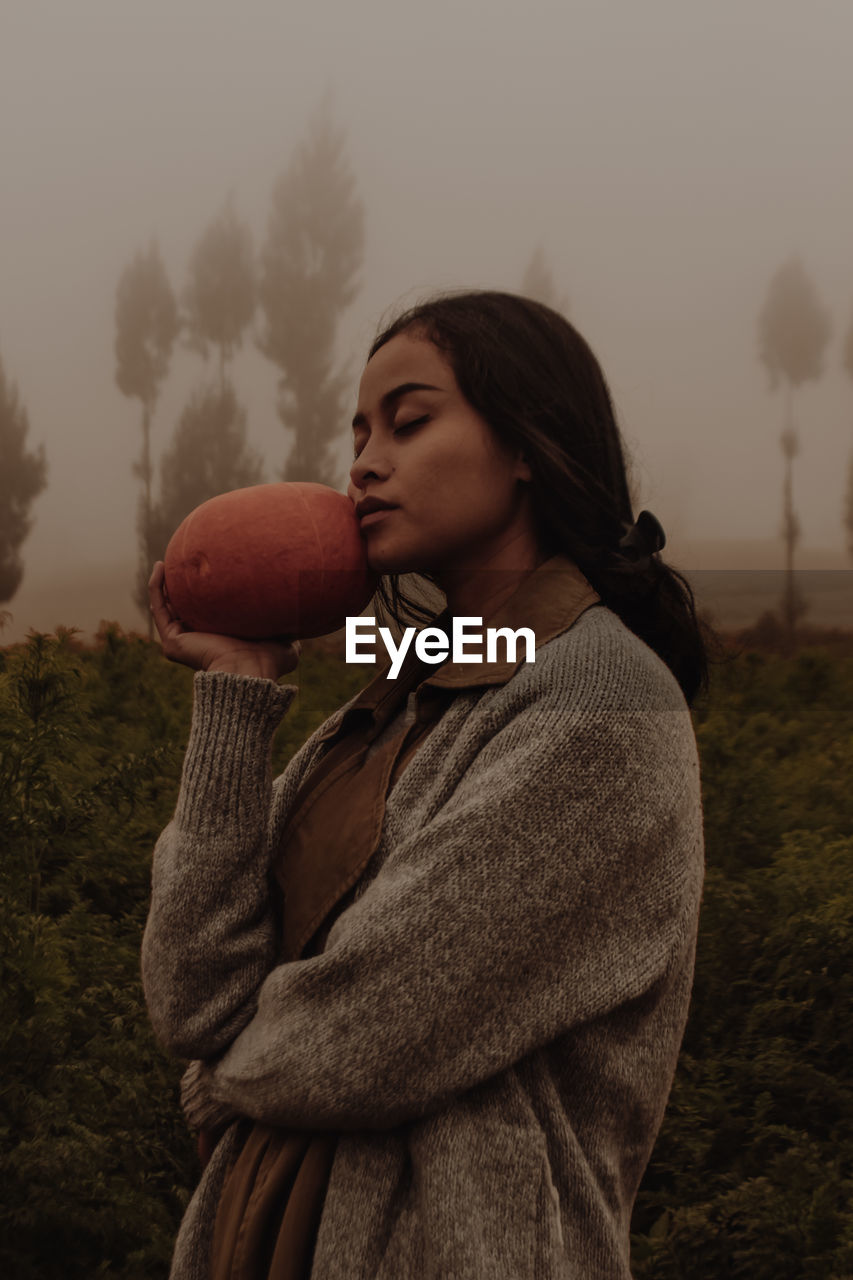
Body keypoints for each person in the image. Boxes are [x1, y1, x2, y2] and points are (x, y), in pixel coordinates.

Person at [142, 289, 710, 1279]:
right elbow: (191, 993)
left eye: (408, 421)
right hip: (259, 1232)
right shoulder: (394, 699)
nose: (363, 461)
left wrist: (221, 1083)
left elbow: (368, 1031)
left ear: (529, 444)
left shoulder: (602, 702)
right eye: (357, 431)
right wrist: (236, 690)